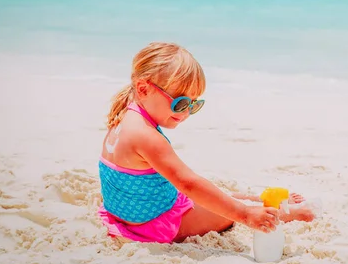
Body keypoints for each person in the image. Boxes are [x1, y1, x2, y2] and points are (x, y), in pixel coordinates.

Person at [97, 41, 314, 244]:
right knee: (225, 212)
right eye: (180, 103)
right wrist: (245, 215)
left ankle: (253, 198)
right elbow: (188, 184)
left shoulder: (127, 109)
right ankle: (286, 213)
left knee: (214, 195)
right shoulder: (145, 136)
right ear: (144, 89)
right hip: (154, 224)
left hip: (125, 212)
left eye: (194, 104)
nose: (186, 113)